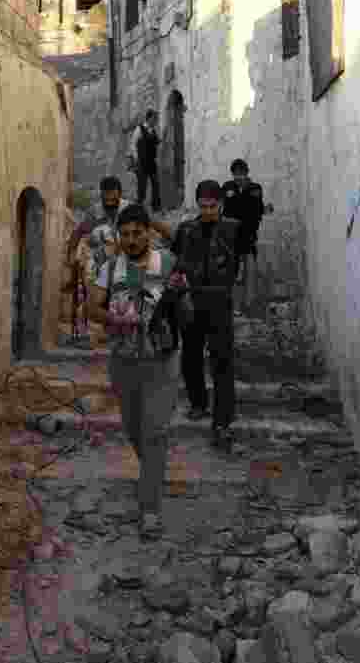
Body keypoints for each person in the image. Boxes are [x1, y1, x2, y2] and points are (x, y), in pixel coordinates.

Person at [88, 203, 179, 541]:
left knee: (154, 432)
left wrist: (179, 303)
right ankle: (152, 473)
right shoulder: (109, 268)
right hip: (124, 362)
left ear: (148, 233)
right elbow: (91, 307)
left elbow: (186, 304)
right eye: (124, 234)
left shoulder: (167, 263)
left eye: (137, 233)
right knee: (133, 429)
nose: (130, 239)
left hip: (161, 361)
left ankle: (150, 509)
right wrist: (113, 317)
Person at [168, 180, 241, 446]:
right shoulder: (186, 230)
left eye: (213, 206)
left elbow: (239, 265)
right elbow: (175, 264)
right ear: (198, 205)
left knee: (222, 361)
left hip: (220, 302)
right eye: (204, 206)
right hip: (192, 302)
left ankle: (222, 421)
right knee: (191, 357)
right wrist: (177, 292)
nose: (208, 210)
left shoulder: (233, 229)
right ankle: (198, 403)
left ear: (220, 204)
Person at [221, 159, 266, 310]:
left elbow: (258, 211)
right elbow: (223, 210)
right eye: (235, 174)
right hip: (231, 238)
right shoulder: (227, 187)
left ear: (247, 173)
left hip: (248, 237)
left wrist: (252, 220)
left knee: (249, 273)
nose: (238, 177)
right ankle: (234, 306)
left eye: (241, 174)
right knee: (232, 274)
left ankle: (248, 304)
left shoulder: (255, 188)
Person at [127, 109, 161, 213]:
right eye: (155, 119)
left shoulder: (153, 130)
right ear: (149, 118)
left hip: (152, 162)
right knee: (142, 186)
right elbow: (133, 143)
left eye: (156, 119)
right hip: (141, 162)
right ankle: (139, 208)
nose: (156, 121)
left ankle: (156, 208)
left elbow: (155, 142)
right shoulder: (139, 129)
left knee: (156, 184)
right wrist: (136, 158)